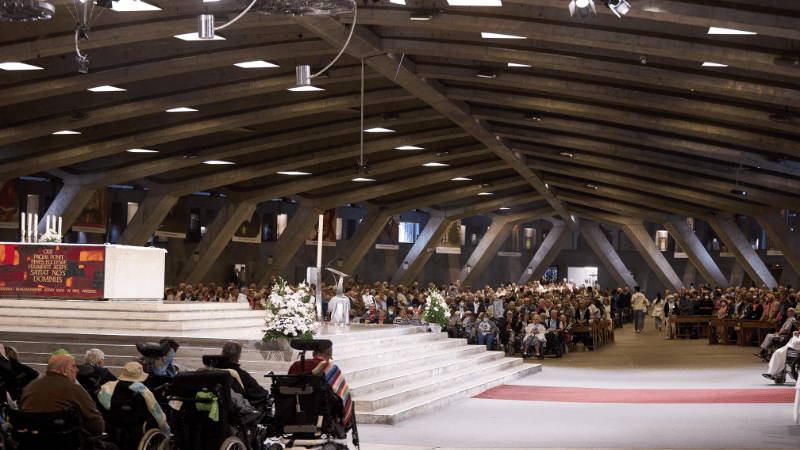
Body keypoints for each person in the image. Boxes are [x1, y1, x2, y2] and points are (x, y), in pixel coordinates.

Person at [19, 354, 117, 449]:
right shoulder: (74, 389)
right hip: (67, 444)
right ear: (64, 370)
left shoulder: (30, 388)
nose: (77, 370)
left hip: (32, 444)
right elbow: (97, 425)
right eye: (73, 366)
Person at [287, 343, 353, 428]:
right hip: (319, 407)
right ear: (328, 357)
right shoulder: (329, 367)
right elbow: (343, 392)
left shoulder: (296, 365)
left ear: (313, 354)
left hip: (296, 405)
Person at [97, 362, 170, 436]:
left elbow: (105, 405)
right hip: (136, 426)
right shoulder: (142, 389)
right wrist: (166, 431)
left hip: (113, 425)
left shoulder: (108, 386)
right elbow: (157, 412)